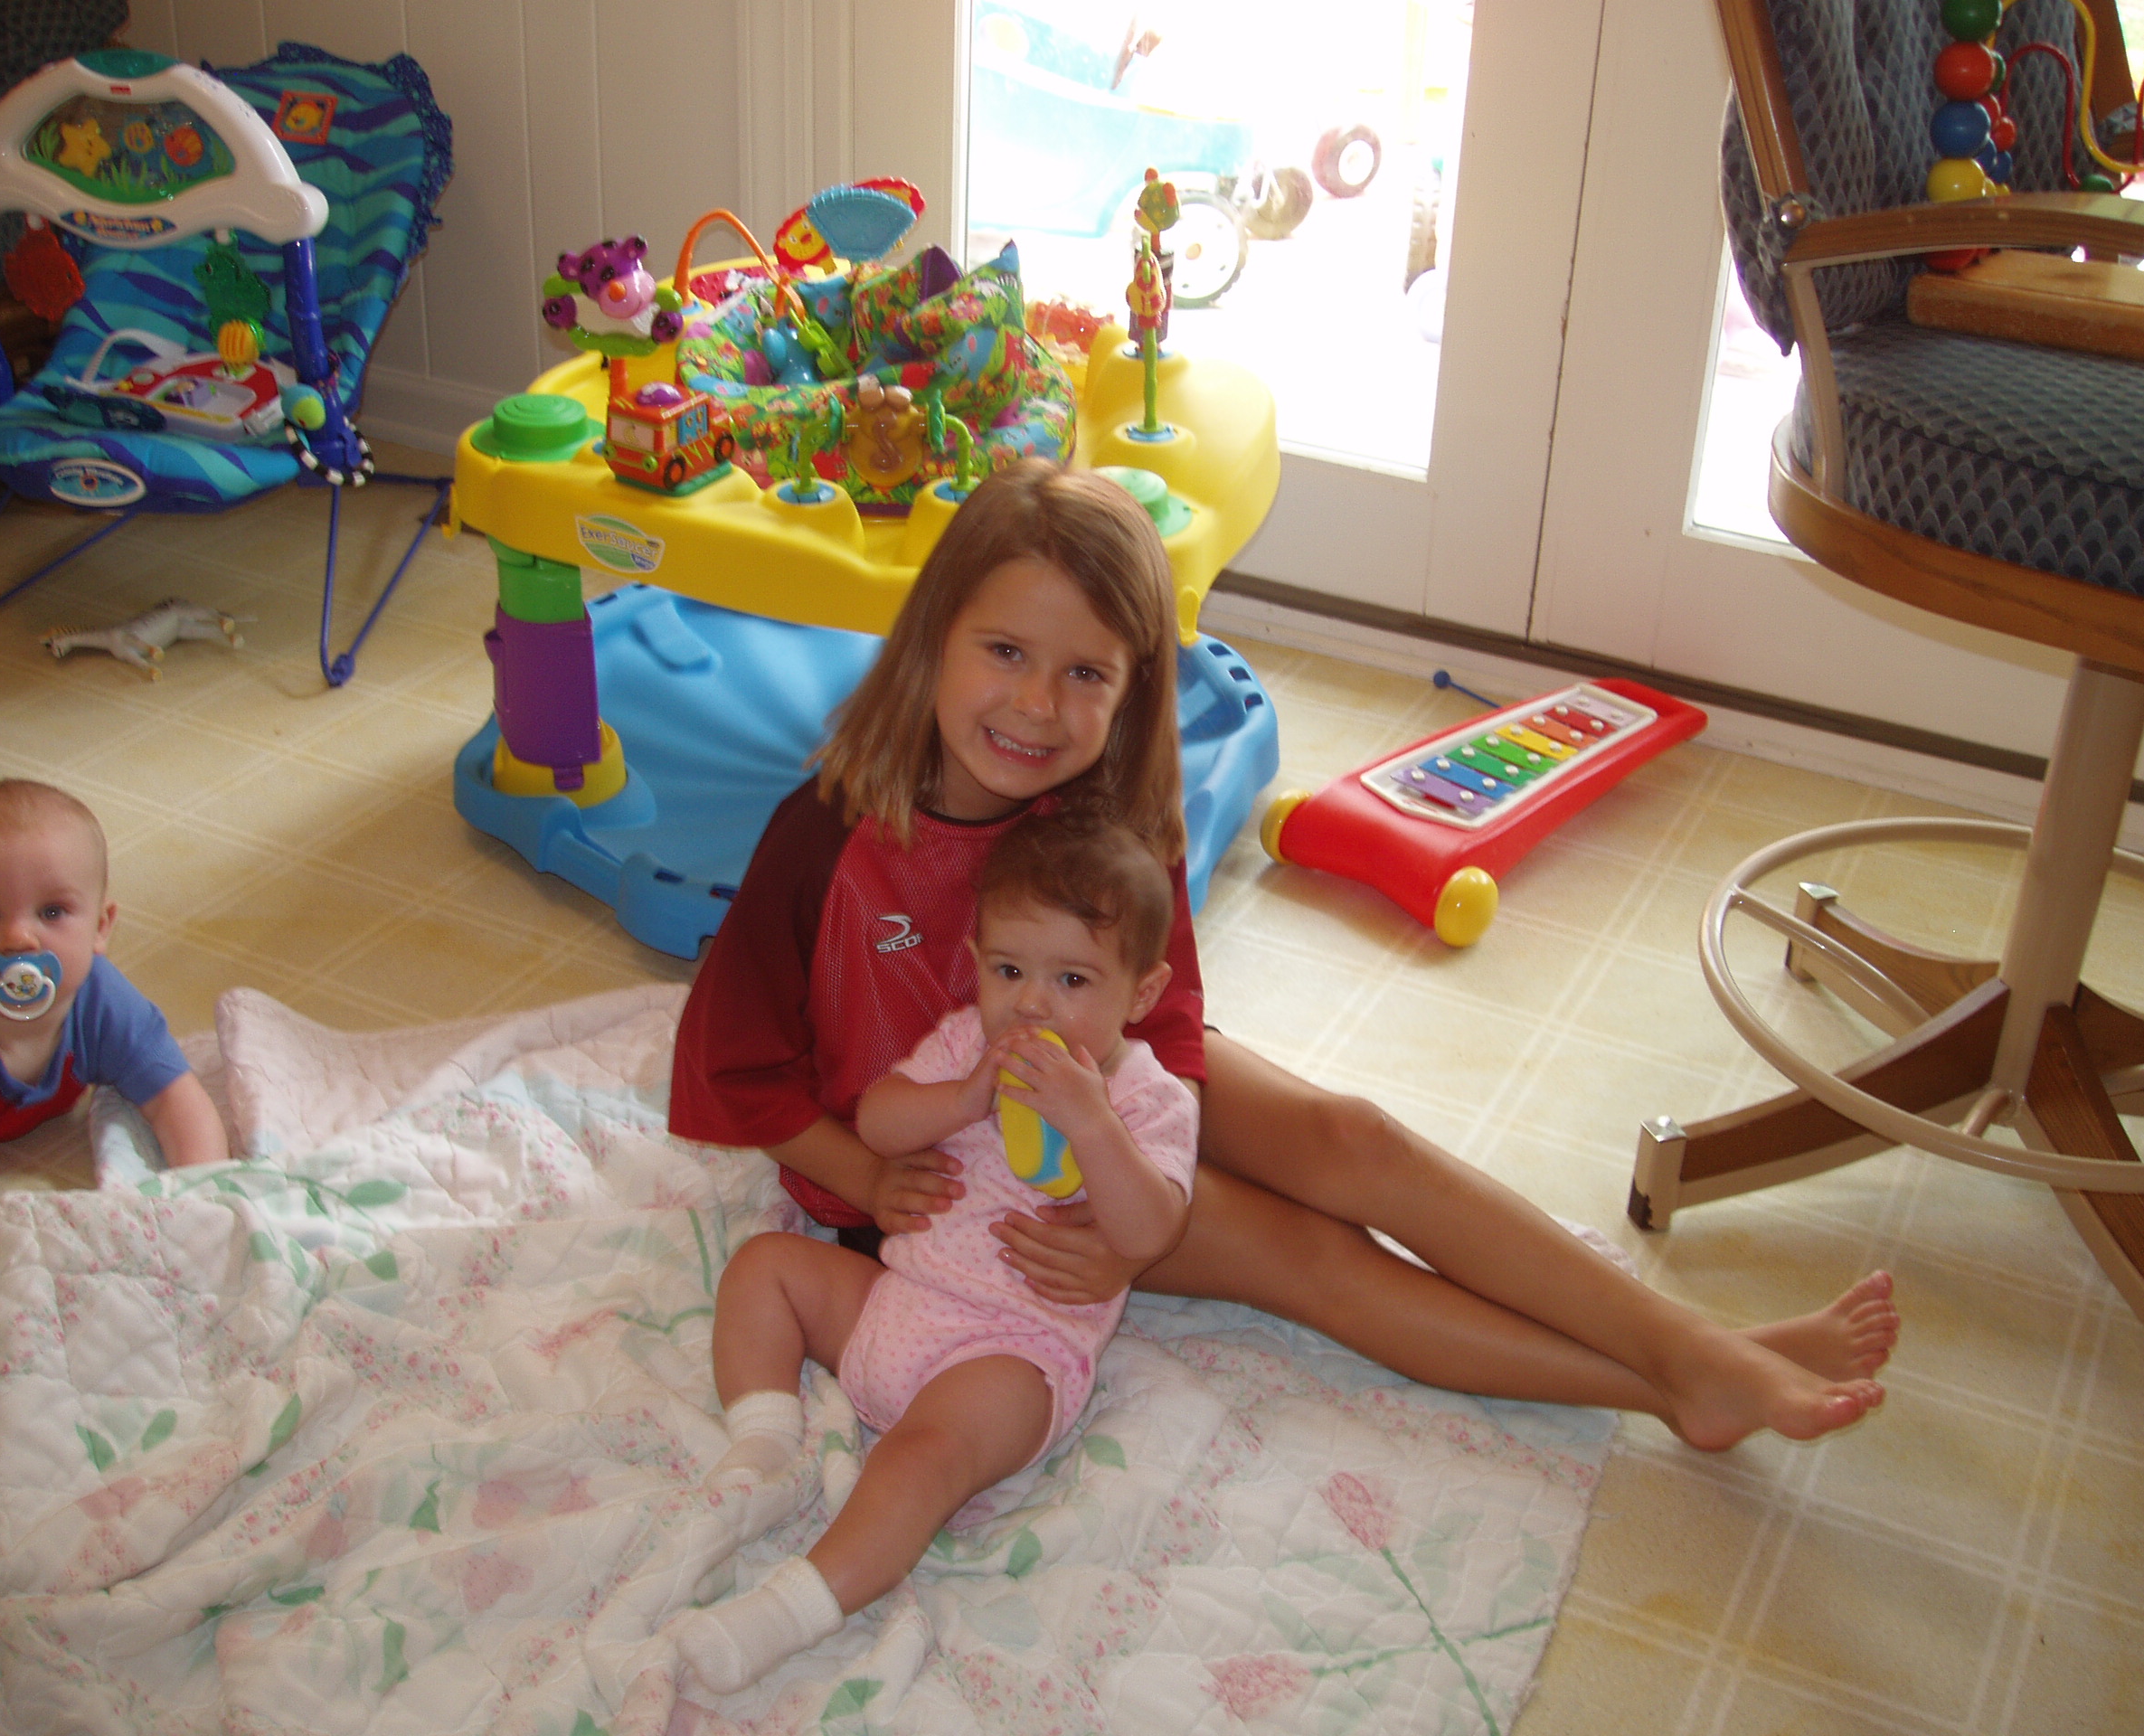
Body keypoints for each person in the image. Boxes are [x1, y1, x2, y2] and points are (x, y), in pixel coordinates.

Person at [668, 458, 1895, 1473]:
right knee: (1310, 1258)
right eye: (1004, 652)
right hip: (948, 1185)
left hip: (1102, 1101)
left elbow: (1171, 1032)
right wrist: (869, 1180)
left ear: (1134, 690)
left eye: (1085, 673)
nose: (1036, 706)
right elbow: (733, 1067)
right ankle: (1672, 1383)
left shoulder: (1106, 824)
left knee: (1355, 1140)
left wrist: (1138, 1182)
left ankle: (1688, 1345)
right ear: (933, 638)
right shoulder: (826, 834)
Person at [675, 811, 1197, 1693]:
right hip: (894, 1301)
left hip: (1011, 1353)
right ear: (976, 959)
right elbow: (879, 1121)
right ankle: (761, 1441)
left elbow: (1150, 1231)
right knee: (766, 1265)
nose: (1031, 1004)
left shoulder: (1149, 1099)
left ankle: (792, 1609)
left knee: (918, 1460)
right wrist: (961, 1099)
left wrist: (1091, 1123)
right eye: (1007, 971)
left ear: (1141, 993)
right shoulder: (966, 1043)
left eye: (1072, 979)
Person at [0, 780, 230, 1280]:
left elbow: (175, 1098)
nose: (18, 938)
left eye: (52, 911)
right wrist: (13, 1267)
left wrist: (200, 1206)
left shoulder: (102, 1001)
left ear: (101, 927)